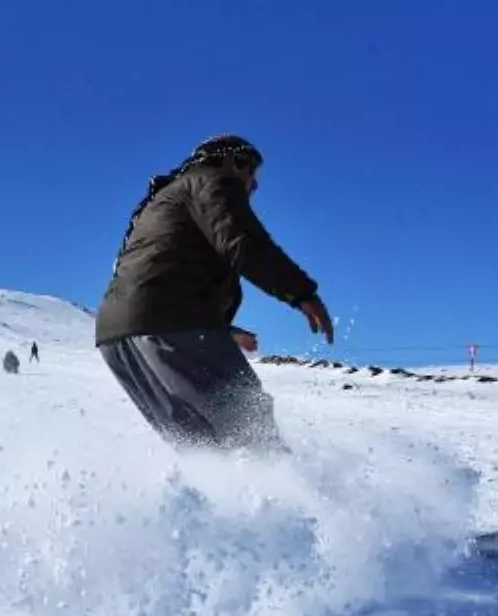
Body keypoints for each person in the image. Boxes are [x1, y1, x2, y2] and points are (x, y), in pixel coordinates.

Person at [94, 134, 334, 453]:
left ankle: (223, 502)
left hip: (119, 339)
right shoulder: (211, 181)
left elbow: (156, 274)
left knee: (204, 450)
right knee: (250, 428)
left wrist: (223, 329)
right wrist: (300, 291)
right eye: (251, 173)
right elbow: (242, 241)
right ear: (230, 161)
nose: (255, 185)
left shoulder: (165, 201)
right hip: (169, 325)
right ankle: (293, 498)